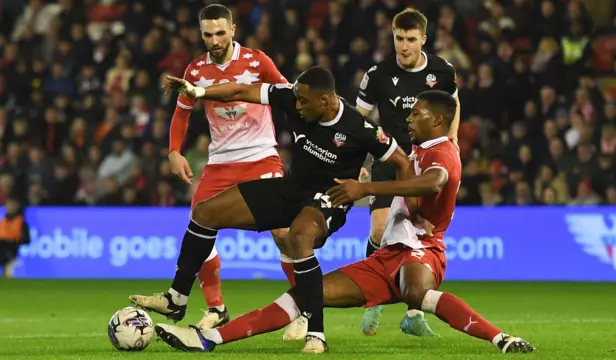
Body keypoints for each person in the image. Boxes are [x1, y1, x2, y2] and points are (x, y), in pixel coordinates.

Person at [152, 91, 534, 354]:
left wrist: (361, 190)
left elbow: (434, 183)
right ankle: (208, 340)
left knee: (416, 292)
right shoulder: (421, 147)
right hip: (385, 258)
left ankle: (500, 339)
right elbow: (408, 178)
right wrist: (366, 179)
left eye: (416, 113)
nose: (409, 116)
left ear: (436, 120)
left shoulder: (445, 155)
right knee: (305, 293)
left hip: (422, 249)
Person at [131, 66, 414, 353]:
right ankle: (177, 297)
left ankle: (316, 333)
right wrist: (199, 92)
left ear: (326, 101)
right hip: (290, 190)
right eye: (297, 99)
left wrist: (397, 206)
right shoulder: (292, 97)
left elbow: (403, 163)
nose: (298, 105)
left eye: (304, 101)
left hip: (329, 198)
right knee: (204, 213)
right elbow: (240, 90)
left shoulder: (360, 128)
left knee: (298, 239)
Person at [133, 4, 293, 330]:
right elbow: (181, 113)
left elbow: (289, 95)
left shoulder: (257, 61)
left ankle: (302, 308)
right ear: (201, 33)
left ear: (233, 30)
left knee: (283, 233)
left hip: (261, 156)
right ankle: (216, 309)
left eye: (221, 33)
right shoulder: (194, 71)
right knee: (200, 226)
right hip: (220, 162)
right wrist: (174, 151)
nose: (215, 40)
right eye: (208, 34)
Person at [354, 8, 462, 337]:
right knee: (378, 230)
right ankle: (374, 300)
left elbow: (453, 106)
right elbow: (360, 119)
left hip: (426, 159)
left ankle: (414, 312)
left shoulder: (442, 71)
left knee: (421, 235)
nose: (404, 45)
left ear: (423, 40)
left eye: (411, 39)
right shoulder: (378, 74)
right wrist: (359, 161)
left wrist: (453, 143)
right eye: (399, 38)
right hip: (390, 158)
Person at [0, 197, 30, 278]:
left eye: (12, 205)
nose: (10, 207)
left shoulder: (21, 222)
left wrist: (14, 242)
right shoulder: (3, 221)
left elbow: (26, 240)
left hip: (11, 249)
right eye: (8, 205)